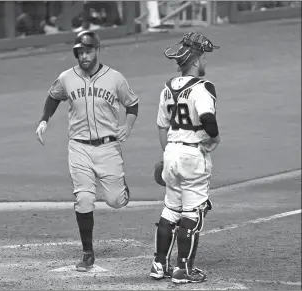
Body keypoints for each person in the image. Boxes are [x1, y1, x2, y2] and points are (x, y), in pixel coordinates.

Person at [35, 30, 139, 272]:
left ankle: (121, 189)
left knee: (115, 201)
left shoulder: (115, 78)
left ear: (97, 51)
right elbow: (53, 97)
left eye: (88, 51)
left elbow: (132, 103)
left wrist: (127, 126)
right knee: (84, 198)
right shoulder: (66, 78)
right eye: (80, 52)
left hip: (109, 147)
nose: (84, 56)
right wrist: (44, 121)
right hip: (79, 147)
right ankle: (87, 253)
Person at [149, 32, 220, 284]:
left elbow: (161, 126)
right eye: (204, 58)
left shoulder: (167, 89)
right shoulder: (203, 87)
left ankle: (159, 265)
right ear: (196, 60)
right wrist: (214, 137)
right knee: (193, 211)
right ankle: (183, 269)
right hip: (192, 155)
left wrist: (167, 155)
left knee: (171, 209)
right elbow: (208, 119)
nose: (206, 63)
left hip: (171, 153)